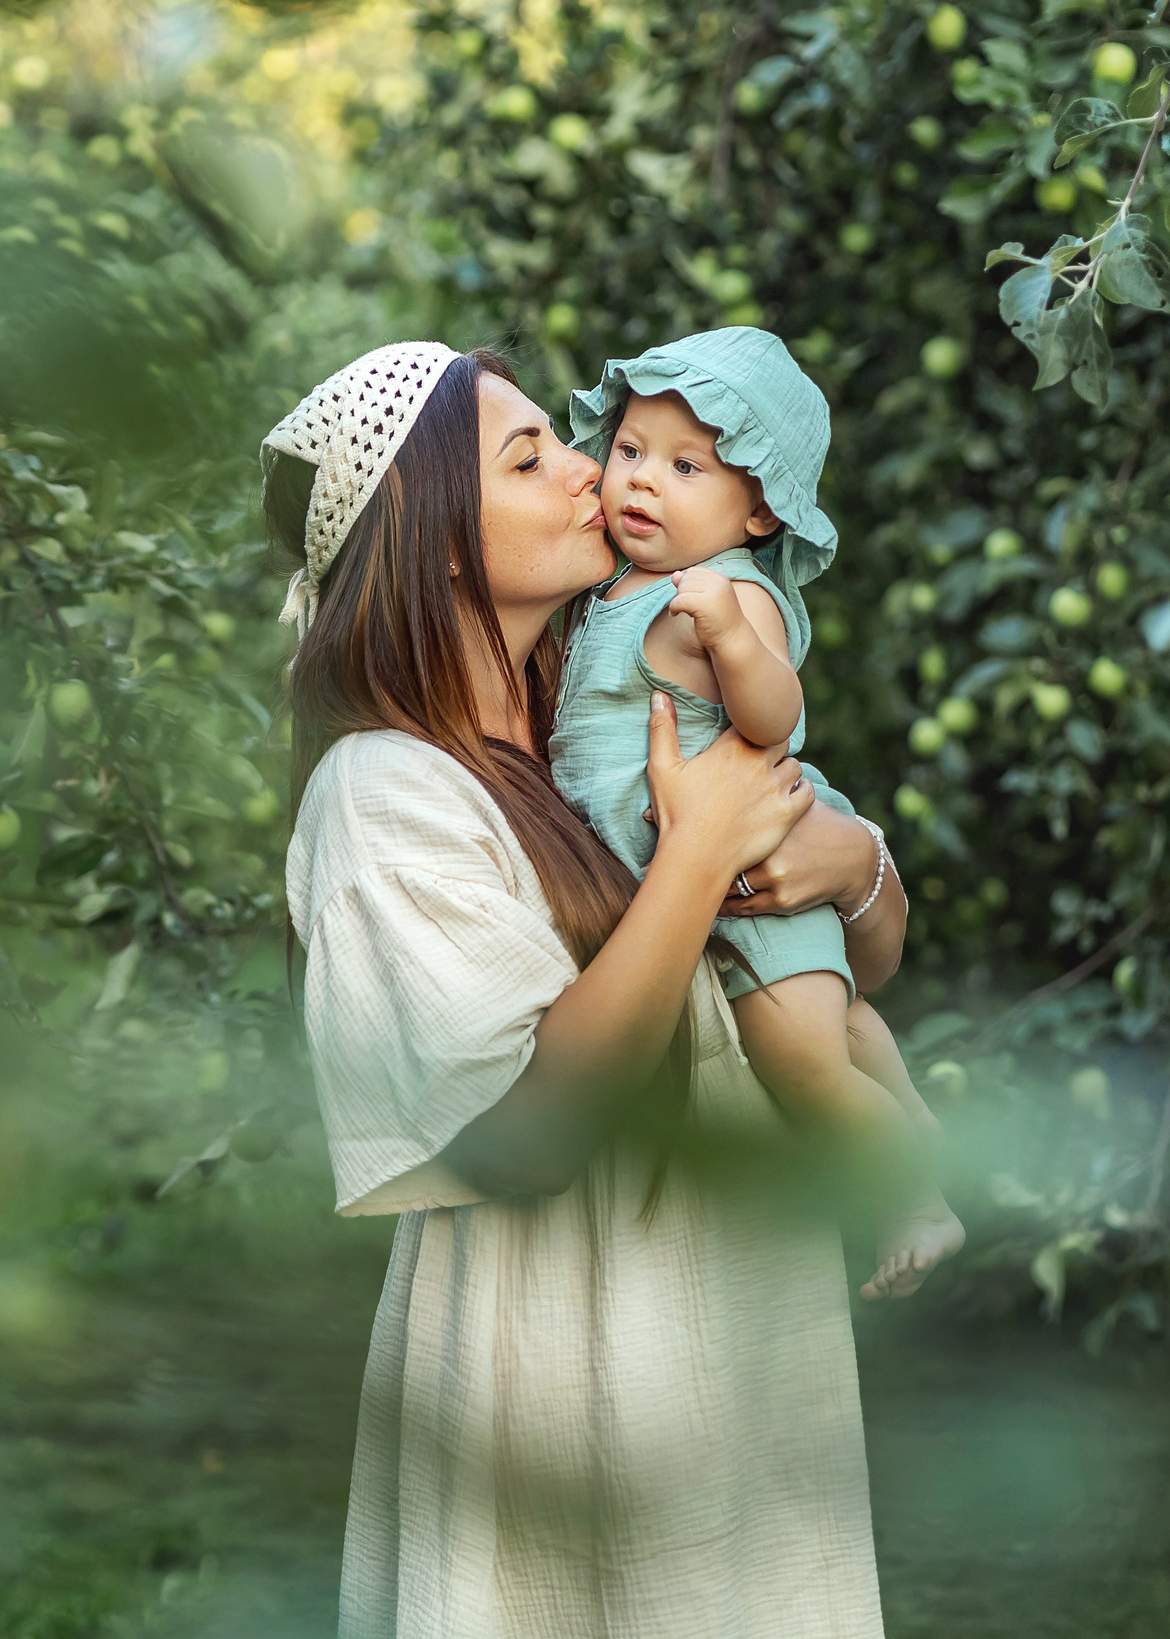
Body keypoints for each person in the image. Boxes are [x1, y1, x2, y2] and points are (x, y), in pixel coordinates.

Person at [267, 340, 901, 1638]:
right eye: (529, 455)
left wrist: (860, 866)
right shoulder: (387, 792)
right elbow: (530, 1123)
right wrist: (708, 852)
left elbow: (835, 973)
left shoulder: (600, 727)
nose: (587, 471)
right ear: (438, 538)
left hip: (734, 1293)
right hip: (566, 1338)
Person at [550, 326, 963, 1299]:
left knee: (801, 1058)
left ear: (761, 514)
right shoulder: (613, 588)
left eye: (685, 466)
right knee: (839, 1029)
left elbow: (778, 715)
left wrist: (731, 639)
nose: (641, 481)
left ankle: (913, 1196)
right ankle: (910, 1118)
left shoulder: (733, 595)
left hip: (755, 874)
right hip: (692, 875)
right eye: (629, 452)